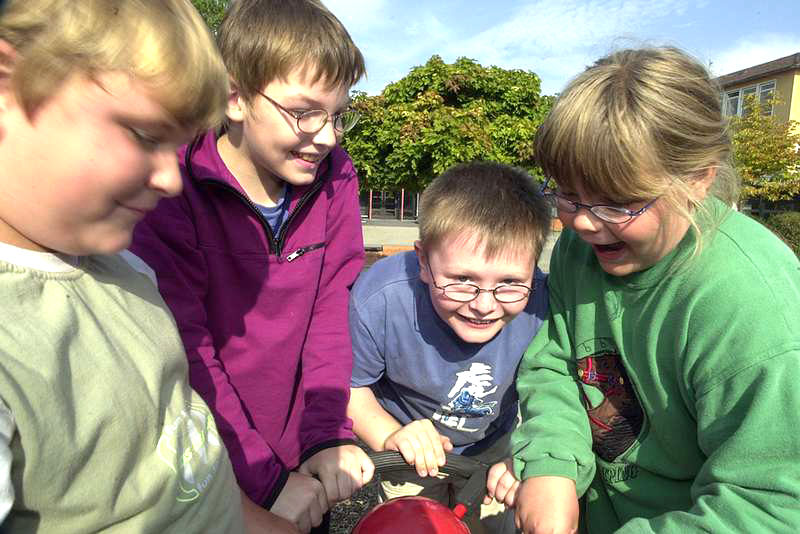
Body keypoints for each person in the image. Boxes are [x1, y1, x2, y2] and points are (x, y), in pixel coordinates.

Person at [0, 0, 301, 532]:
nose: (172, 179)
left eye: (179, 147)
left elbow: (182, 451)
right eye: (144, 136)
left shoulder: (128, 271)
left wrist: (248, 517)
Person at [511, 46, 800, 533]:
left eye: (618, 203)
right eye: (568, 193)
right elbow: (556, 358)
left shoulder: (753, 310)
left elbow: (771, 506)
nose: (581, 221)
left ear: (698, 180)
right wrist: (552, 464)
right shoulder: (583, 249)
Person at [130, 1, 373, 532]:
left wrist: (327, 434)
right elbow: (186, 351)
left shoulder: (335, 178)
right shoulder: (174, 190)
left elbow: (329, 313)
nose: (327, 135)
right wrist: (263, 480)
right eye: (305, 112)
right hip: (207, 466)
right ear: (236, 99)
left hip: (303, 459)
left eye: (337, 114)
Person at [348, 161, 551, 534]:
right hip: (409, 444)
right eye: (461, 280)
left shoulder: (545, 302)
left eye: (509, 282)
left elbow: (558, 389)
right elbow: (351, 387)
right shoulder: (380, 299)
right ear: (423, 260)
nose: (484, 305)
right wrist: (389, 435)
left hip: (496, 447)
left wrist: (530, 452)